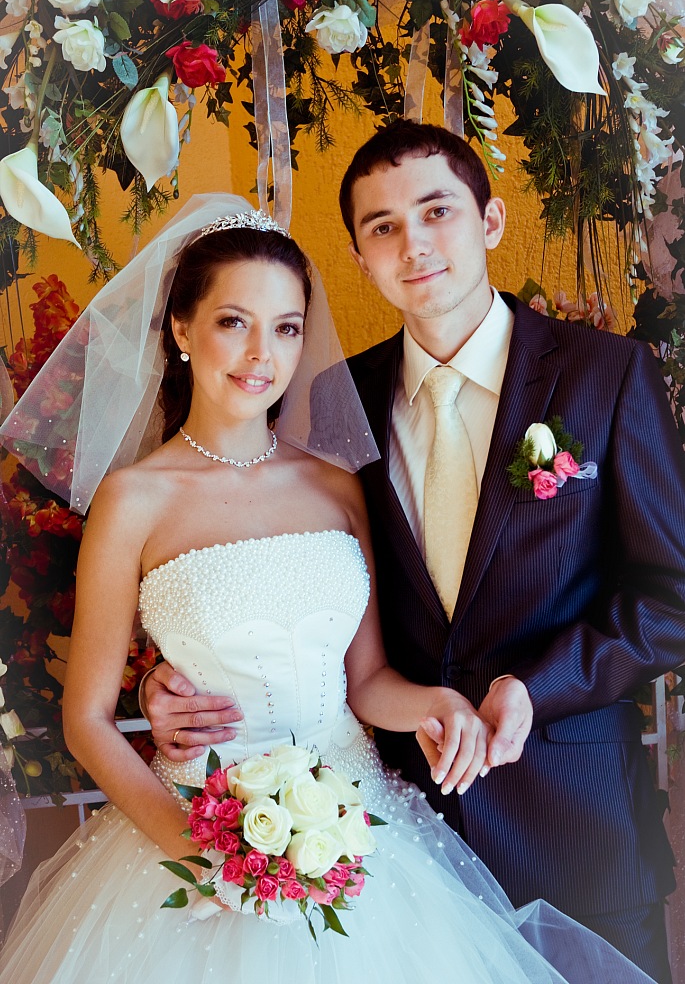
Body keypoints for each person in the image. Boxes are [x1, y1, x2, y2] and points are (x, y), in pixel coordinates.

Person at [0, 197, 658, 984]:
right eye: (233, 322)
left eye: (285, 328)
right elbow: (87, 720)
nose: (261, 354)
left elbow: (366, 680)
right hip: (195, 830)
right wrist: (200, 854)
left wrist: (438, 705)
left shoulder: (337, 485)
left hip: (358, 828)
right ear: (180, 329)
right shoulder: (132, 500)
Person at [144, 124, 685, 984]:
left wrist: (535, 688)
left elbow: (670, 595)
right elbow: (277, 566)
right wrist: (170, 672)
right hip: (397, 847)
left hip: (578, 827)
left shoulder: (605, 374)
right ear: (359, 258)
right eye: (383, 226)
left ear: (489, 221)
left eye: (437, 211)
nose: (414, 244)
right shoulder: (331, 399)